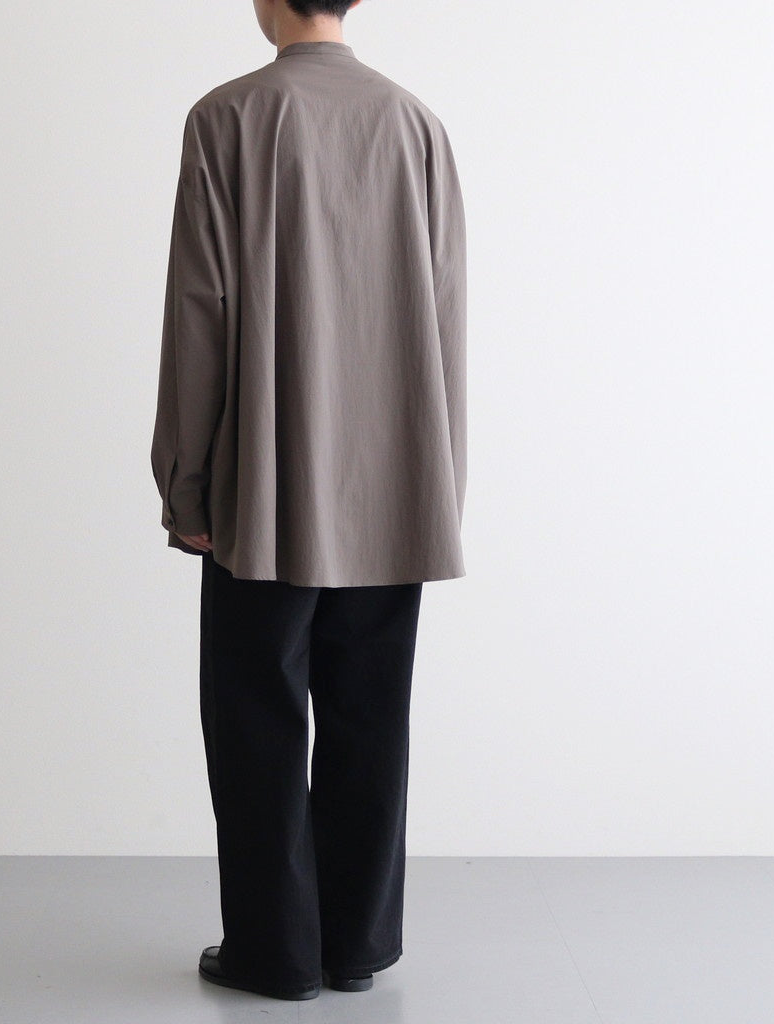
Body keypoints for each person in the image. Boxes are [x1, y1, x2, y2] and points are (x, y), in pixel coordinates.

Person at [150, 0, 467, 1002]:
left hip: (263, 484)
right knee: (372, 716)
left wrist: (186, 483)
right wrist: (438, 484)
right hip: (396, 484)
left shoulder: (227, 118)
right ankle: (354, 945)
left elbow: (200, 312)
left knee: (256, 715)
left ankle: (273, 952)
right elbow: (445, 315)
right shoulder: (415, 124)